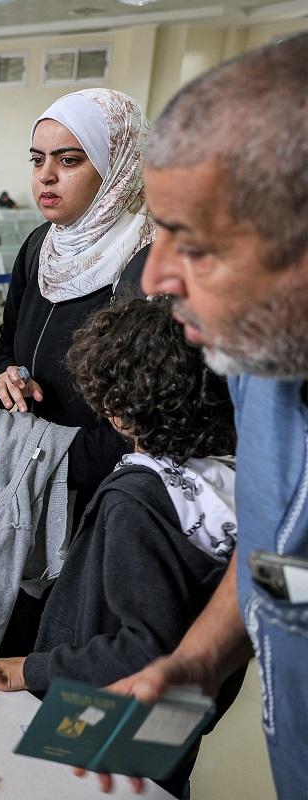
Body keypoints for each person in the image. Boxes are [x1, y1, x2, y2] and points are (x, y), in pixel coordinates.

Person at [83, 34, 308, 797]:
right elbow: (275, 561)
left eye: (196, 245)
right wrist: (198, 660)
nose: (154, 276)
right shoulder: (254, 357)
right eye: (158, 228)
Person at [0, 296, 241, 798]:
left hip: (105, 703)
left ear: (117, 412)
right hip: (180, 709)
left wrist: (28, 669)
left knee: (90, 786)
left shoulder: (135, 501)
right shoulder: (222, 483)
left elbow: (143, 645)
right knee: (157, 782)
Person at [0, 89, 155, 657]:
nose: (46, 176)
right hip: (35, 489)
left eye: (69, 161)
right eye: (37, 159)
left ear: (116, 165)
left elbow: (148, 427)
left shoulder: (148, 265)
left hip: (104, 497)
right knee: (16, 636)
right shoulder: (39, 248)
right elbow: (8, 343)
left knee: (76, 649)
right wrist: (7, 377)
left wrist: (35, 454)